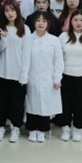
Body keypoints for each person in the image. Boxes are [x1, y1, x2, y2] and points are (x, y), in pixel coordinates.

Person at [0, 0, 31, 143]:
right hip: (1, 72)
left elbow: (26, 54)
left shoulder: (25, 29)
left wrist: (24, 75)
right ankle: (1, 127)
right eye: (7, 11)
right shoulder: (0, 27)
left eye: (12, 10)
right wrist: (4, 38)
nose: (10, 13)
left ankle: (15, 128)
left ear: (17, 11)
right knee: (0, 102)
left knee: (17, 103)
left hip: (17, 73)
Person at [58, 9, 82, 142]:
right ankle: (65, 128)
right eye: (75, 20)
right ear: (71, 22)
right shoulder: (63, 37)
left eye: (81, 20)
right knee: (65, 103)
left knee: (80, 104)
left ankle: (77, 129)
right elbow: (58, 57)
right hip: (65, 75)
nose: (78, 23)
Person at [23, 12, 64, 143]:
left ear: (48, 24)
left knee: (45, 105)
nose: (41, 23)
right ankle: (32, 129)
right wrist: (23, 77)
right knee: (32, 104)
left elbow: (59, 61)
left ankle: (42, 130)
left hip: (48, 78)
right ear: (34, 23)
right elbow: (24, 59)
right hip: (32, 77)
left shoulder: (54, 40)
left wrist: (57, 78)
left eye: (44, 21)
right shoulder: (28, 39)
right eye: (38, 20)